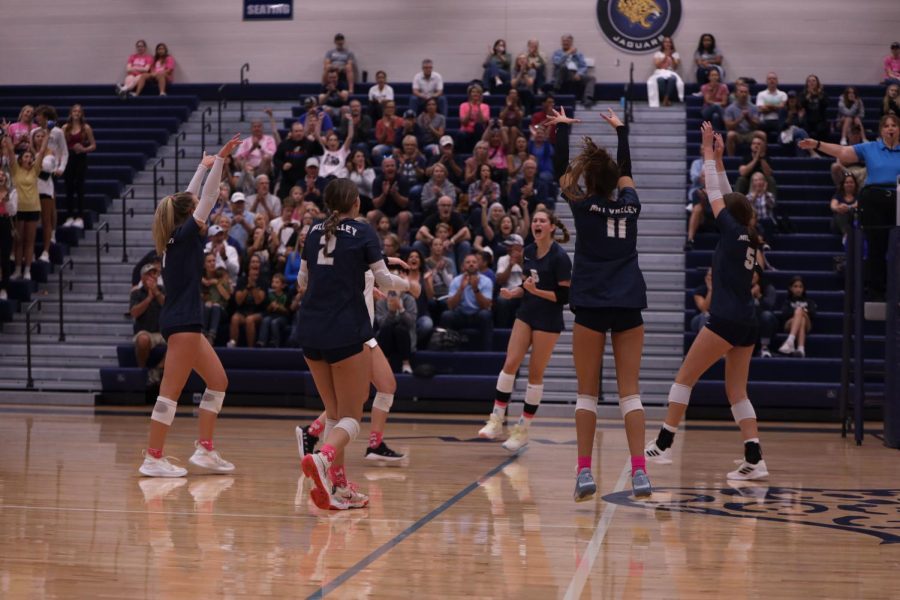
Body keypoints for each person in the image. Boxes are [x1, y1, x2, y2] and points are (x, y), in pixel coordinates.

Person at [645, 122, 769, 482]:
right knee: (736, 391)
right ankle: (754, 457)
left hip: (726, 318)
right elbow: (729, 195)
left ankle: (665, 444)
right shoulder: (748, 233)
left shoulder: (732, 231)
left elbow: (717, 194)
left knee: (684, 378)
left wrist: (705, 150)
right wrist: (718, 157)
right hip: (747, 320)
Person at [545, 105, 651, 500]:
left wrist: (562, 132)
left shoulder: (583, 206)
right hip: (627, 300)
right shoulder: (631, 204)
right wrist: (621, 132)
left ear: (591, 180)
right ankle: (640, 472)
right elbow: (626, 171)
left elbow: (562, 175)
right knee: (631, 392)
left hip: (590, 301)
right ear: (617, 182)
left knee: (586, 393)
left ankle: (585, 472)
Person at [298, 179, 410, 510]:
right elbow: (386, 281)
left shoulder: (312, 232)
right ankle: (322, 458)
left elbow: (303, 281)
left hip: (309, 330)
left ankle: (340, 486)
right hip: (346, 332)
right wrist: (412, 286)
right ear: (356, 204)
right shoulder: (362, 232)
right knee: (351, 417)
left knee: (333, 415)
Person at [140, 134, 242, 478]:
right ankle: (153, 457)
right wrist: (223, 160)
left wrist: (203, 166)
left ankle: (205, 450)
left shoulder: (175, 232)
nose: (201, 205)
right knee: (170, 394)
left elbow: (189, 197)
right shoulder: (184, 234)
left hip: (186, 321)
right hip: (182, 322)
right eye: (194, 205)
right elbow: (209, 197)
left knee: (217, 380)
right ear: (188, 214)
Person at [478, 209, 572, 450]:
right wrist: (515, 292)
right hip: (527, 313)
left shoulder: (560, 257)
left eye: (542, 221)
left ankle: (522, 429)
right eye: (536, 221)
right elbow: (528, 283)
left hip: (548, 319)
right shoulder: (528, 251)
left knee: (534, 374)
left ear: (551, 227)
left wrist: (535, 291)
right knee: (510, 363)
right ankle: (496, 420)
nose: (537, 224)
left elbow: (564, 296)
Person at [798, 114, 900, 298]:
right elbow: (844, 152)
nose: (890, 128)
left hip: (899, 199)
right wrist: (818, 145)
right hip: (875, 200)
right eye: (886, 126)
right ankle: (878, 293)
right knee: (876, 248)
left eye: (894, 125)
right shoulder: (871, 148)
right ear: (881, 130)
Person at [1, 120, 48, 280]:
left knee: (30, 241)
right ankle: (17, 269)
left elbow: (41, 152)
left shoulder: (35, 171)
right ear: (21, 159)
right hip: (20, 209)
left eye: (30, 156)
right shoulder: (15, 170)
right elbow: (9, 150)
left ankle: (27, 270)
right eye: (26, 156)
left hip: (33, 209)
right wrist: (7, 133)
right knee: (18, 241)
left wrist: (46, 136)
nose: (29, 158)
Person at [440, 253, 494, 351]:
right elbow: (450, 306)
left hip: (477, 315)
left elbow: (486, 306)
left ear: (478, 265)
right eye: (468, 262)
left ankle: (487, 351)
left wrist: (475, 289)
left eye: (474, 262)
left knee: (486, 315)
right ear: (463, 266)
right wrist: (461, 288)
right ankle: (448, 350)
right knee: (447, 315)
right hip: (461, 315)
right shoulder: (456, 280)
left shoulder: (486, 281)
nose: (471, 264)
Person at [375, 265, 417, 374]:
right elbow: (381, 325)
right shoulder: (381, 302)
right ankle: (385, 363)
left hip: (405, 340)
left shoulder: (409, 300)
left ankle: (406, 363)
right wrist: (391, 312)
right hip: (386, 339)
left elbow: (411, 323)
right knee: (387, 328)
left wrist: (401, 309)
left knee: (400, 329)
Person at [131, 263, 167, 384]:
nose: (152, 277)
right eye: (148, 274)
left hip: (162, 332)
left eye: (154, 274)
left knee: (180, 341)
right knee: (143, 340)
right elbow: (134, 313)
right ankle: (142, 370)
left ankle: (158, 369)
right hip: (145, 331)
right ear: (142, 278)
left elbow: (168, 307)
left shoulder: (163, 290)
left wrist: (156, 293)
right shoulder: (136, 293)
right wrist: (148, 299)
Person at [61, 104, 95, 229]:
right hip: (68, 158)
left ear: (82, 114)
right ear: (71, 113)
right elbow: (61, 144)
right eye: (74, 111)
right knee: (68, 187)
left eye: (79, 111)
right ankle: (69, 216)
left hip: (80, 158)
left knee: (79, 187)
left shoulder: (86, 128)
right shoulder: (65, 127)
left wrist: (84, 149)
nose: (76, 113)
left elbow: (93, 145)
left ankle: (80, 217)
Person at [228, 254, 267, 347]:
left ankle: (250, 349)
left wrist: (253, 287)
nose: (255, 264)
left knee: (249, 320)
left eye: (257, 262)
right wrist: (247, 288)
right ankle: (232, 347)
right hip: (242, 311)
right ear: (248, 265)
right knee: (235, 318)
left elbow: (258, 301)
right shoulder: (242, 280)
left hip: (258, 312)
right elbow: (238, 301)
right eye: (253, 262)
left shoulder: (263, 281)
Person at [274, 121, 316, 199]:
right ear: (291, 133)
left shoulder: (309, 144)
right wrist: (282, 165)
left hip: (304, 180)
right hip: (287, 180)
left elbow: (319, 153)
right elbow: (275, 159)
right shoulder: (284, 144)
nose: (299, 133)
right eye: (296, 131)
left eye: (300, 131)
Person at [778, 276, 817, 358]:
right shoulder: (787, 301)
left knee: (801, 315)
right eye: (795, 286)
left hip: (807, 324)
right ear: (790, 288)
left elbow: (813, 313)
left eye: (800, 287)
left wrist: (800, 312)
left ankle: (790, 341)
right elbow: (785, 314)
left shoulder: (809, 301)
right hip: (789, 324)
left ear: (803, 289)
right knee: (801, 318)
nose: (798, 289)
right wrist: (802, 312)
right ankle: (801, 349)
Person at [551, 35, 595, 108]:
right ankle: (555, 90)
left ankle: (587, 98)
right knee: (563, 67)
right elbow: (557, 63)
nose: (565, 43)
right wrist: (568, 53)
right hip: (563, 74)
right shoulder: (557, 53)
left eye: (567, 41)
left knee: (591, 78)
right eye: (564, 41)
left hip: (575, 74)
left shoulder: (578, 54)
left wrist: (579, 74)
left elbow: (583, 66)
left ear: (571, 42)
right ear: (561, 42)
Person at [724, 83, 766, 156]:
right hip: (738, 133)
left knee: (762, 134)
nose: (744, 94)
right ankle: (731, 159)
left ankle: (762, 158)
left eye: (745, 92)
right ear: (736, 94)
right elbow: (728, 127)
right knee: (730, 135)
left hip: (750, 133)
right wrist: (740, 119)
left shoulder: (754, 108)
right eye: (741, 92)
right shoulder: (730, 108)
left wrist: (748, 118)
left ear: (748, 94)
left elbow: (756, 125)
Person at [493, 234, 526, 327]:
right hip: (507, 291)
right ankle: (503, 330)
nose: (508, 248)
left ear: (520, 247)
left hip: (523, 292)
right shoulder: (503, 259)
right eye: (507, 246)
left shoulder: (528, 259)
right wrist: (510, 265)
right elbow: (500, 281)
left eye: (511, 246)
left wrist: (520, 263)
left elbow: (530, 279)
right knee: (501, 301)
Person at [200, 253, 232, 344]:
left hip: (221, 310)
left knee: (216, 306)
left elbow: (227, 297)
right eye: (209, 261)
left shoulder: (221, 276)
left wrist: (216, 283)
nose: (212, 263)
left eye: (214, 261)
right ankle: (202, 334)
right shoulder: (200, 279)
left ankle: (211, 337)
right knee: (207, 305)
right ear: (204, 264)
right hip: (205, 308)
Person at [647, 37, 683, 108]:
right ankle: (666, 99)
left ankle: (665, 99)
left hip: (671, 72)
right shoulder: (658, 54)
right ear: (663, 44)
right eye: (665, 42)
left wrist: (671, 57)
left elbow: (675, 67)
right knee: (660, 80)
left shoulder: (675, 54)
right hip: (660, 71)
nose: (667, 44)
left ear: (671, 44)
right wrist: (665, 56)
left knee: (672, 79)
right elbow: (657, 65)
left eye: (669, 42)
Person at [259, 273, 291, 347]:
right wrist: (270, 306)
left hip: (283, 317)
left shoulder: (286, 295)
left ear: (283, 285)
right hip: (271, 315)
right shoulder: (269, 295)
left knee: (274, 322)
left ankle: (275, 343)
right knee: (265, 320)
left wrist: (279, 307)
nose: (274, 284)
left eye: (277, 282)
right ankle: (261, 342)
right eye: (273, 282)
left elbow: (288, 311)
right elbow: (266, 310)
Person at [459, 85, 491, 152]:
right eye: (473, 92)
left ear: (480, 94)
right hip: (466, 131)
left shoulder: (485, 106)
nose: (475, 94)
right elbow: (464, 123)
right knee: (461, 135)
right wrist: (470, 109)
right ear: (470, 94)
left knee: (478, 125)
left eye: (477, 92)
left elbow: (483, 122)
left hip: (478, 132)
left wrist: (479, 107)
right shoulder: (463, 105)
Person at [799, 74, 830, 141]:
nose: (811, 83)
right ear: (807, 83)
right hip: (808, 119)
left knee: (822, 129)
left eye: (813, 81)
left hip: (820, 119)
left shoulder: (822, 94)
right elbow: (800, 105)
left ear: (817, 83)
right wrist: (808, 96)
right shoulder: (803, 94)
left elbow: (826, 104)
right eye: (809, 81)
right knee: (803, 130)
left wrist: (819, 95)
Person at [830, 172, 859, 241]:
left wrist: (848, 207)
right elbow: (833, 205)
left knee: (854, 212)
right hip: (838, 225)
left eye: (851, 182)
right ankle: (846, 236)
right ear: (843, 184)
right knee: (840, 213)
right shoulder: (838, 195)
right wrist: (838, 208)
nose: (849, 184)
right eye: (847, 182)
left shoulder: (858, 195)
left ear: (855, 184)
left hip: (852, 222)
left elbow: (859, 204)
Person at [0, 171, 12, 299]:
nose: (1, 177)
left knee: (5, 256)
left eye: (3, 175)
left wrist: (6, 198)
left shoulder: (11, 192)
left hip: (5, 222)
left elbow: (13, 210)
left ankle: (4, 288)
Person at [691, 268, 713, 332]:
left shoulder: (724, 291)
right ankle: (705, 340)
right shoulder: (700, 290)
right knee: (706, 315)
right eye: (710, 275)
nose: (712, 278)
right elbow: (704, 309)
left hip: (717, 318)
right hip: (699, 319)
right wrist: (710, 290)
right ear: (706, 278)